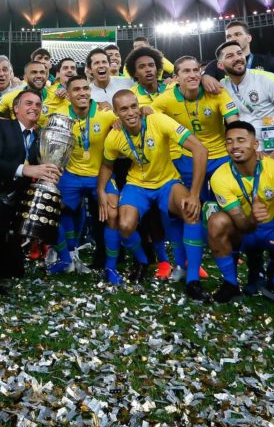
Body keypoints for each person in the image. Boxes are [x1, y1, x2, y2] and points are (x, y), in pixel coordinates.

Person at [97, 90, 209, 297]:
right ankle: (142, 260)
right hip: (137, 185)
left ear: (139, 106)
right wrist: (101, 190)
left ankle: (192, 279)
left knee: (191, 210)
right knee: (124, 225)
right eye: (124, 109)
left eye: (133, 106)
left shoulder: (158, 120)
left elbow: (200, 150)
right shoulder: (114, 136)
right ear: (116, 113)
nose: (130, 113)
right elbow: (106, 165)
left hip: (168, 182)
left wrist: (194, 194)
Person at [151, 56, 239, 282]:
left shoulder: (216, 91)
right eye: (186, 71)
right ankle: (192, 256)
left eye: (196, 70)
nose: (192, 75)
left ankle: (229, 245)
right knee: (191, 208)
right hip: (188, 157)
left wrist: (238, 149)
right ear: (176, 77)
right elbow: (147, 116)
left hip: (220, 157)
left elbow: (234, 123)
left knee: (229, 203)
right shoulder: (165, 99)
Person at [207, 122, 274, 306]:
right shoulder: (220, 177)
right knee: (217, 221)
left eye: (241, 140)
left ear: (255, 144)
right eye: (230, 142)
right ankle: (231, 284)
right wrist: (253, 218)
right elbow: (242, 225)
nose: (235, 146)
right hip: (246, 231)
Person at [0, 89, 61, 294]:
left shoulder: (41, 135)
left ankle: (7, 260)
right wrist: (25, 169)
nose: (34, 108)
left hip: (21, 196)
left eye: (38, 105)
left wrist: (51, 170)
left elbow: (42, 164)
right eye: (28, 103)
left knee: (14, 270)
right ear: (16, 108)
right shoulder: (2, 126)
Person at [48, 75, 119, 275]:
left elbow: (128, 120)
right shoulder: (60, 115)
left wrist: (141, 112)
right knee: (51, 210)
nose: (82, 93)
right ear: (68, 95)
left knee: (113, 214)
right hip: (71, 174)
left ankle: (110, 268)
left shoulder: (105, 113)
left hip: (101, 174)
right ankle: (66, 259)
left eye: (85, 88)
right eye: (76, 89)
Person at [215, 40, 274, 162]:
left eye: (239, 53)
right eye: (230, 56)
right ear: (220, 65)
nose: (237, 58)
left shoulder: (268, 79)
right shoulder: (222, 88)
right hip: (248, 154)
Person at [202, 20, 274, 86]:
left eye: (238, 34)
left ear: (249, 38)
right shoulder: (216, 65)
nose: (232, 39)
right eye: (228, 36)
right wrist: (204, 77)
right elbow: (198, 80)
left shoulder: (268, 62)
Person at [0, 60, 51, 126]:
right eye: (34, 72)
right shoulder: (11, 97)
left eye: (42, 72)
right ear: (25, 77)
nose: (39, 76)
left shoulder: (56, 96)